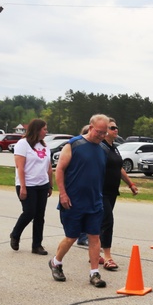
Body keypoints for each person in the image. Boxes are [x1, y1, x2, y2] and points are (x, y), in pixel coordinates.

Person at [50, 115, 110, 289]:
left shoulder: (103, 149)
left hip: (94, 201)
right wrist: (62, 194)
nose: (101, 135)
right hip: (73, 201)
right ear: (91, 127)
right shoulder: (73, 145)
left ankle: (94, 273)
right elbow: (59, 169)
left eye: (104, 133)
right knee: (71, 237)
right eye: (99, 132)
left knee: (94, 236)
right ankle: (56, 262)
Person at [98, 119, 139, 271]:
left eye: (116, 127)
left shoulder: (113, 148)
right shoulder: (100, 147)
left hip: (111, 191)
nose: (116, 130)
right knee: (108, 221)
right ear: (104, 130)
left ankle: (95, 253)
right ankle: (107, 257)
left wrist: (131, 184)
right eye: (112, 128)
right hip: (100, 191)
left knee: (100, 223)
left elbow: (119, 168)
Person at [10, 119, 54, 255]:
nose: (46, 132)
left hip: (42, 184)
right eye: (44, 129)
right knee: (29, 212)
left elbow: (48, 167)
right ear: (37, 129)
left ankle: (37, 245)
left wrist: (50, 185)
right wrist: (22, 186)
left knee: (40, 216)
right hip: (27, 184)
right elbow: (20, 167)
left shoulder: (45, 146)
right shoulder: (23, 144)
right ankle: (15, 234)